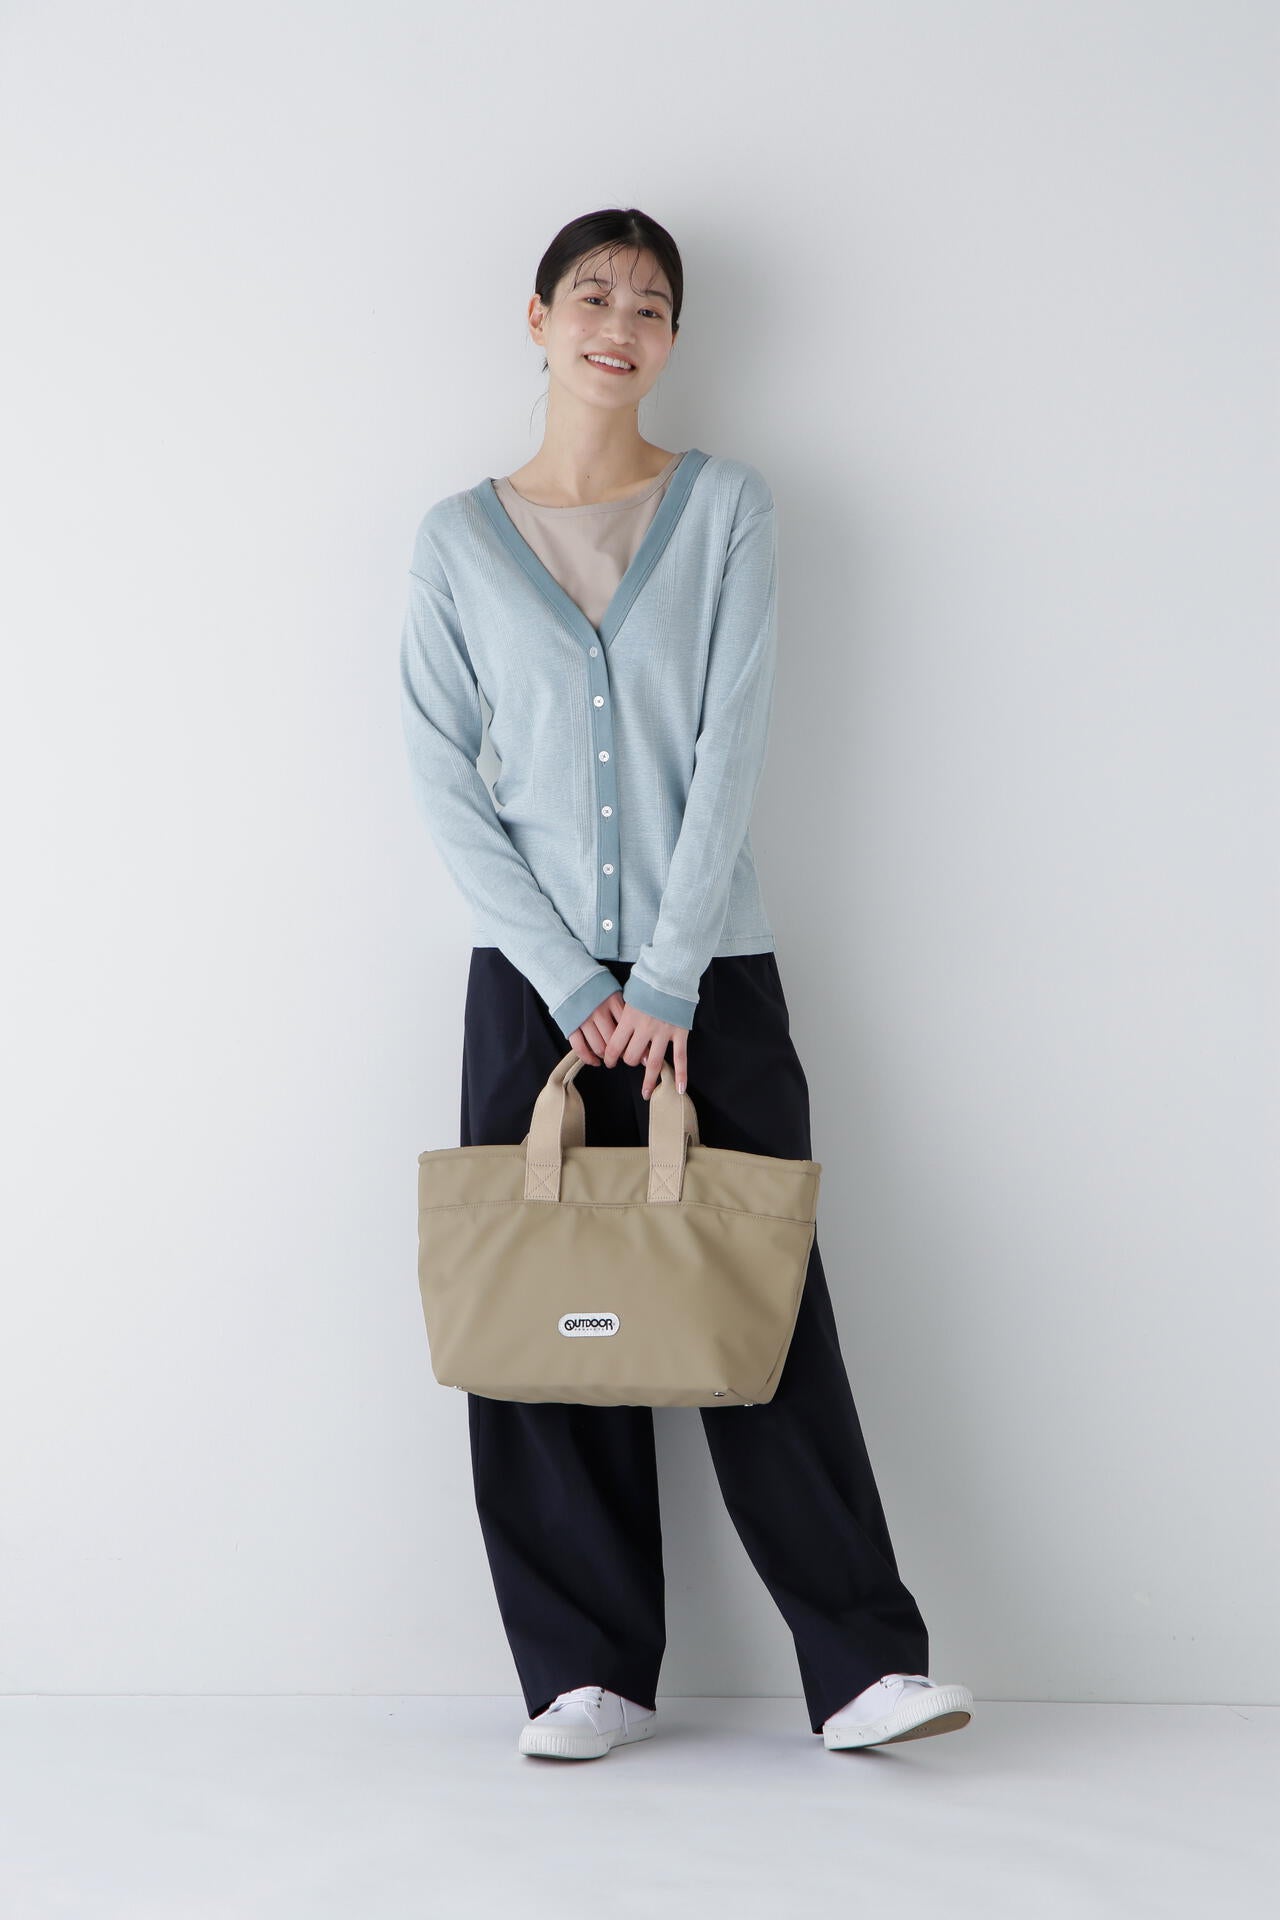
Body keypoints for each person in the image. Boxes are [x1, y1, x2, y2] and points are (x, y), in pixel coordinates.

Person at [398, 206, 973, 1762]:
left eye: (651, 304)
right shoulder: (456, 540)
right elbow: (442, 778)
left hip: (711, 971)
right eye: (592, 294)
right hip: (530, 988)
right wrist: (567, 979)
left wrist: (661, 981)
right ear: (536, 319)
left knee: (759, 1294)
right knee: (544, 1304)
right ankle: (580, 1672)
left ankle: (862, 1668)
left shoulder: (726, 508)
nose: (621, 322)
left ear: (672, 342)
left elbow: (733, 740)